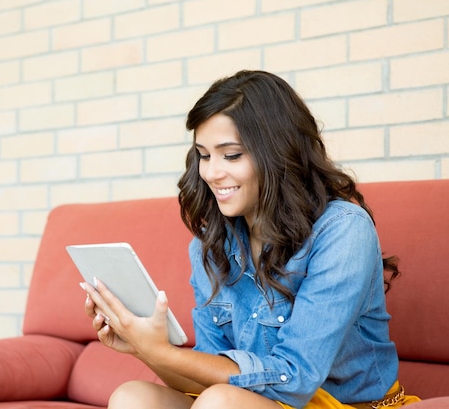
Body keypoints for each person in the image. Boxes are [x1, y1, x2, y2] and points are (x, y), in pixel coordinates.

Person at [79, 70, 421, 409]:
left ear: (277, 153)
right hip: (245, 401)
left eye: (231, 155)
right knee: (132, 398)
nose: (212, 172)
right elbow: (206, 375)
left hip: (344, 405)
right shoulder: (209, 248)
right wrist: (143, 346)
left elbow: (294, 380)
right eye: (204, 154)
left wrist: (162, 352)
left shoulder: (343, 230)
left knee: (220, 404)